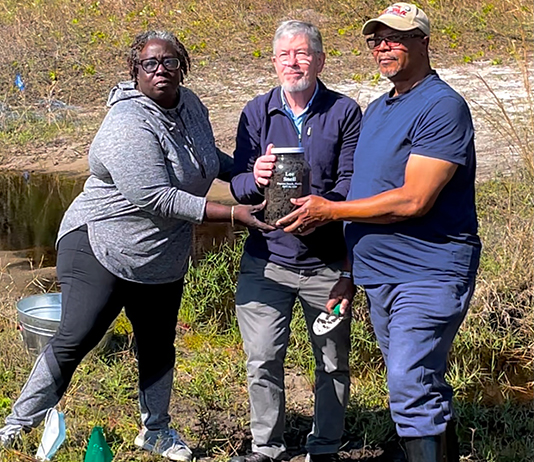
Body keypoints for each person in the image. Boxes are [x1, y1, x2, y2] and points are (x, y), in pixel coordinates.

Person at [0, 30, 272, 461]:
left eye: (169, 62)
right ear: (135, 71)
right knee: (78, 334)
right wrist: (235, 214)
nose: (160, 70)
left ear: (181, 66)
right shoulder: (128, 122)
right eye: (150, 64)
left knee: (158, 342)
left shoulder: (193, 106)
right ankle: (16, 424)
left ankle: (156, 431)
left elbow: (206, 158)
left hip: (160, 253)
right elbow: (157, 196)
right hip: (100, 240)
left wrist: (247, 173)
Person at [277, 4, 481, 462]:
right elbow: (370, 195)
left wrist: (329, 210)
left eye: (396, 38)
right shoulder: (379, 108)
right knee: (418, 380)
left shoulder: (442, 106)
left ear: (423, 42)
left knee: (408, 382)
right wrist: (351, 271)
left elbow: (413, 200)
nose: (383, 47)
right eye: (376, 40)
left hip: (428, 273)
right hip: (380, 274)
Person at [230, 20, 362, 462]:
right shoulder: (255, 112)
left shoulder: (344, 111)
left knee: (332, 364)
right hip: (266, 261)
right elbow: (237, 184)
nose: (293, 62)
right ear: (273, 62)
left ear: (320, 60)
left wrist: (323, 210)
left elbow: (350, 182)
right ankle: (267, 448)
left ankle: (323, 448)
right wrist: (255, 177)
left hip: (325, 262)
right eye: (285, 55)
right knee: (263, 359)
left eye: (303, 53)